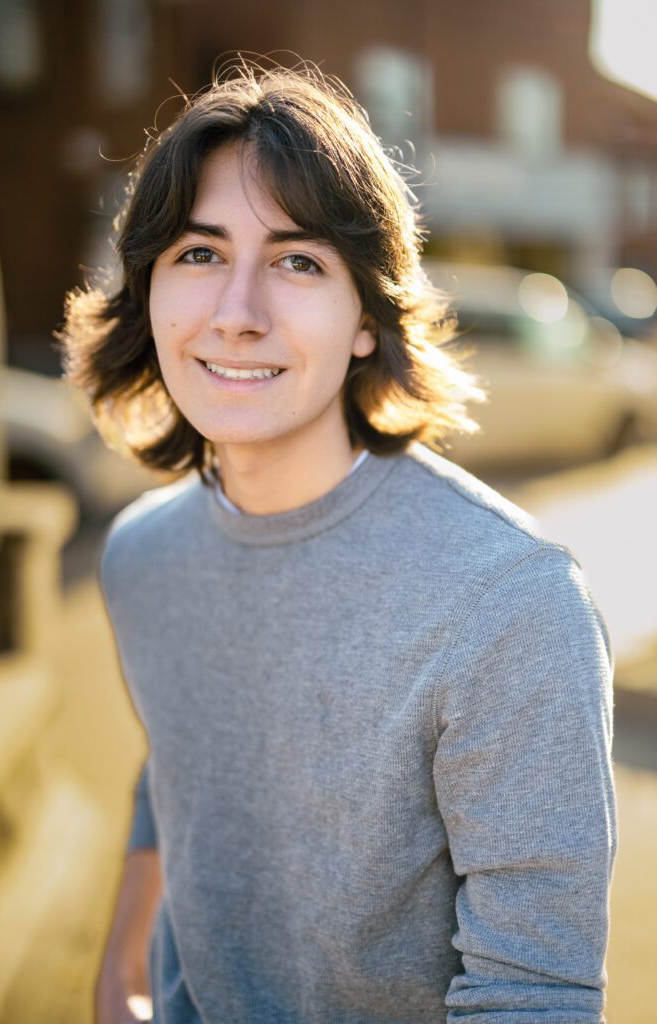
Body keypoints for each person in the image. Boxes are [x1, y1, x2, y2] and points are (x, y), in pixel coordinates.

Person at [61, 60, 616, 1024]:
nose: (237, 311)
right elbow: (178, 770)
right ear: (149, 291)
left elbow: (533, 992)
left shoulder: (511, 606)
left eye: (297, 260)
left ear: (366, 318)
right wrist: (123, 973)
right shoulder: (142, 557)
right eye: (198, 252)